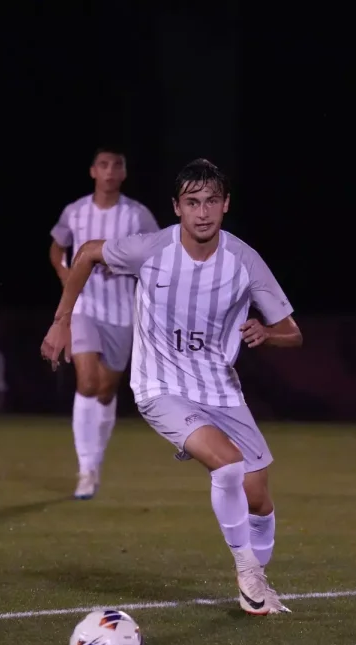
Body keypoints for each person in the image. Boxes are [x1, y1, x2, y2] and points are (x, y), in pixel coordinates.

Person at [41, 158, 302, 616]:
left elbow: (293, 332)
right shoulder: (151, 249)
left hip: (221, 389)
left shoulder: (244, 260)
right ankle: (246, 572)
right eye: (192, 202)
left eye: (212, 202)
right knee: (228, 468)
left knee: (259, 498)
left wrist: (268, 333)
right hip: (160, 386)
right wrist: (62, 321)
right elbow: (85, 254)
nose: (203, 212)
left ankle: (258, 580)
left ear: (226, 205)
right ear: (176, 207)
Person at [49, 147, 160, 500]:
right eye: (103, 165)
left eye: (117, 165)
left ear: (124, 173)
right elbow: (56, 247)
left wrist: (127, 264)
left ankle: (95, 462)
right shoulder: (76, 211)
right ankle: (85, 468)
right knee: (86, 381)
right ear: (93, 171)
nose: (110, 171)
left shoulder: (136, 215)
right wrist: (65, 272)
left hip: (122, 312)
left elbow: (158, 255)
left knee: (106, 390)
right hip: (84, 306)